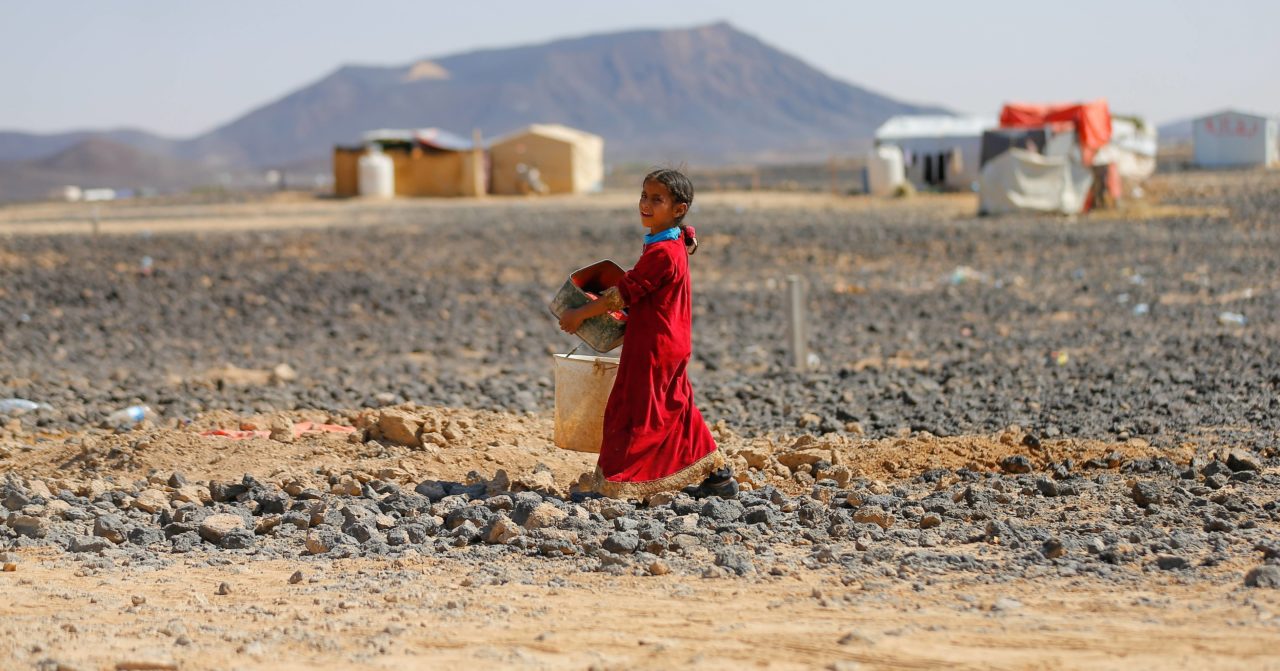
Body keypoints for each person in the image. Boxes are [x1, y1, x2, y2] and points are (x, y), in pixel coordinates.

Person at [558, 168, 737, 500]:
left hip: (654, 344)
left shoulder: (662, 252)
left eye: (657, 199)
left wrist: (578, 314)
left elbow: (621, 294)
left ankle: (622, 484)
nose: (646, 204)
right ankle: (718, 478)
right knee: (675, 405)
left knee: (635, 411)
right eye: (644, 196)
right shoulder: (673, 241)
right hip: (672, 339)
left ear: (678, 209)